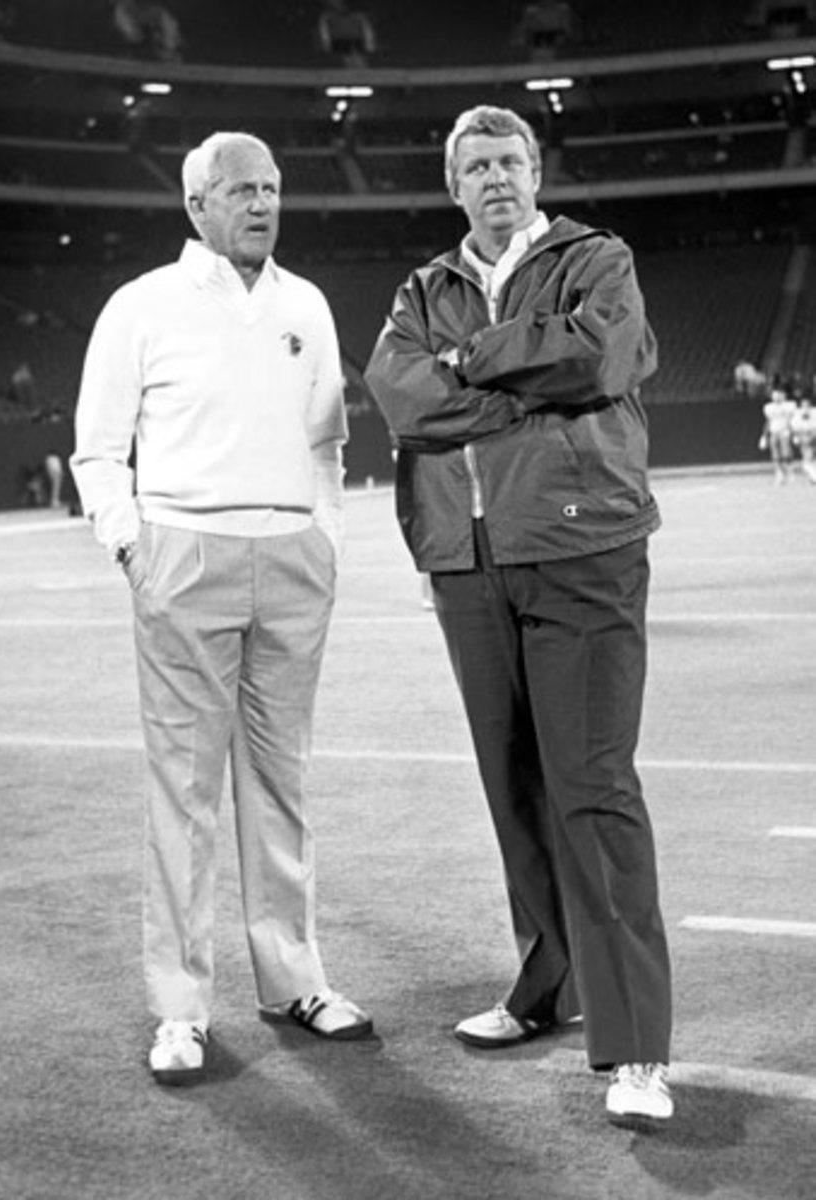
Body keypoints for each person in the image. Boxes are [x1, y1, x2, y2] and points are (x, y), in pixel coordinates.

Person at [364, 105, 673, 1128]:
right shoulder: (423, 287)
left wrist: (473, 363)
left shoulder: (598, 258)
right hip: (466, 559)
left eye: (512, 160)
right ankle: (548, 990)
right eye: (478, 166)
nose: (497, 177)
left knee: (592, 791)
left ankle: (635, 1051)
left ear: (536, 172)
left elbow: (599, 361)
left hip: (582, 547)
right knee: (516, 792)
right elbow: (402, 397)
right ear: (454, 186)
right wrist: (518, 386)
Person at [71, 130, 373, 1086]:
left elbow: (328, 440)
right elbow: (96, 448)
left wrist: (324, 535)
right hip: (184, 555)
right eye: (241, 189)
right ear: (196, 205)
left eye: (273, 188)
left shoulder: (307, 304)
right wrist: (133, 546)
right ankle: (180, 1007)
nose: (261, 204)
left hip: (292, 559)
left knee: (281, 783)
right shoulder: (140, 306)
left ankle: (293, 979)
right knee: (186, 792)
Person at [759, 375, 796, 483]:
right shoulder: (769, 407)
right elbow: (768, 422)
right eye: (774, 395)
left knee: (786, 453)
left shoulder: (789, 405)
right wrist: (764, 435)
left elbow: (791, 421)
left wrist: (793, 434)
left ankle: (790, 472)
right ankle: (779, 473)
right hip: (774, 432)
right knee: (775, 454)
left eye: (779, 395)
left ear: (783, 395)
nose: (776, 397)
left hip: (785, 431)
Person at [790, 395, 816, 482]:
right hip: (804, 437)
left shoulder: (814, 412)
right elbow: (794, 427)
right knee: (807, 459)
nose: (805, 407)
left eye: (807, 405)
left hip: (813, 435)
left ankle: (813, 477)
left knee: (810, 459)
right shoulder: (797, 414)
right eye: (803, 405)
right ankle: (813, 477)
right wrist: (796, 436)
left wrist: (812, 435)